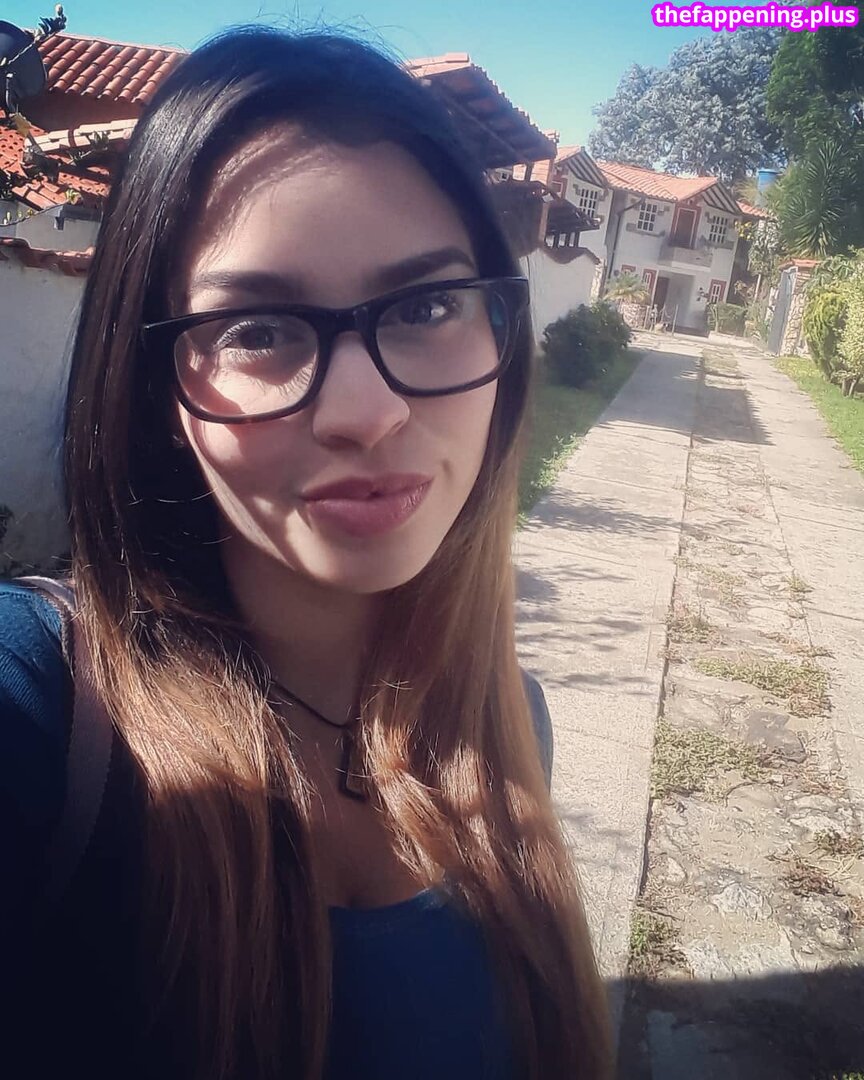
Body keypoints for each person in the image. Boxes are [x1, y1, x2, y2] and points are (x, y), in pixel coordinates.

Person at [0, 26, 612, 1080]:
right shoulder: (45, 719)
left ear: (502, 336)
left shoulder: (511, 723)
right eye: (258, 329)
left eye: (428, 305)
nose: (366, 413)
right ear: (154, 389)